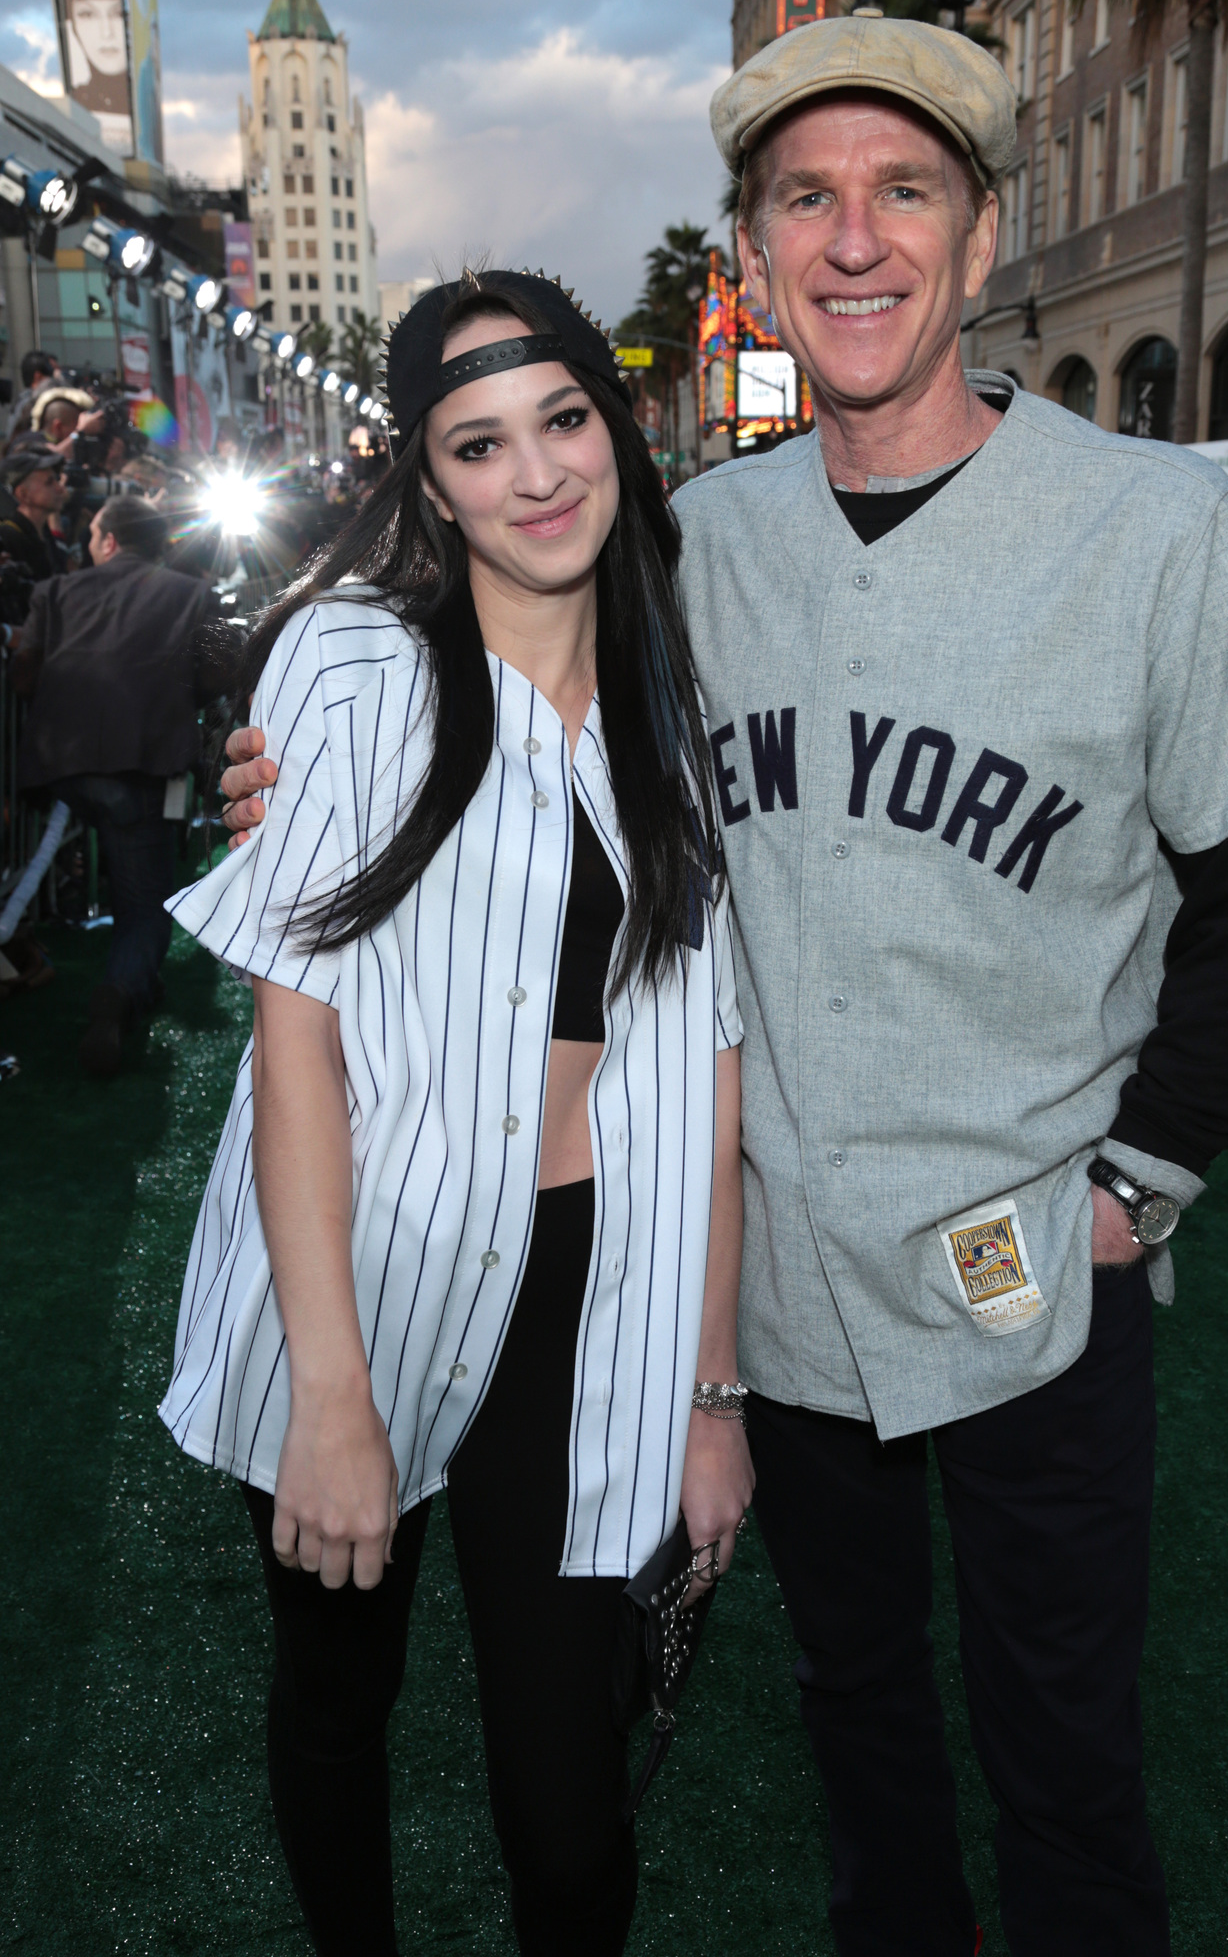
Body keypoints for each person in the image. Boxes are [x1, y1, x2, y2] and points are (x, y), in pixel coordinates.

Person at [222, 24, 1228, 1957]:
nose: (857, 239)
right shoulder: (693, 551)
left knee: (1067, 1755)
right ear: (753, 248)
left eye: (906, 192)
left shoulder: (1157, 522)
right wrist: (291, 772)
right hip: (785, 1290)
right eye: (806, 197)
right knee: (862, 1724)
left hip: (1038, 1264)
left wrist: (1133, 1184)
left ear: (984, 241)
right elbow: (486, 664)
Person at [162, 271, 752, 1957]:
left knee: (571, 1817)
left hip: (593, 1302)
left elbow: (702, 1067)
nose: (536, 473)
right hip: (358, 1269)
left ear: (619, 434)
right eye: (479, 444)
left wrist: (710, 1392)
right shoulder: (353, 665)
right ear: (431, 482)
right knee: (336, 1707)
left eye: (563, 420)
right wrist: (331, 1399)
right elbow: (294, 1049)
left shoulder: (668, 706)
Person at [9, 493, 231, 1074]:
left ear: (107, 541)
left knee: (121, 873)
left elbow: (24, 672)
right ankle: (121, 989)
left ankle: (126, 981)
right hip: (141, 765)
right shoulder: (191, 594)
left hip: (59, 763)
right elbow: (219, 669)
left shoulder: (54, 591)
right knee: (142, 901)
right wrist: (177, 706)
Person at [0, 446, 69, 595]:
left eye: (57, 480)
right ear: (23, 494)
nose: (60, 489)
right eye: (49, 483)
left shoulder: (43, 533)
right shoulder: (8, 539)